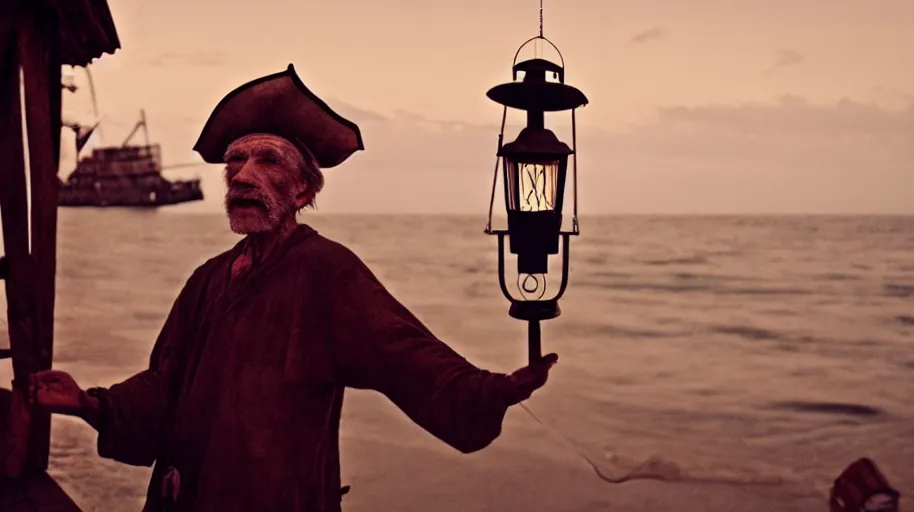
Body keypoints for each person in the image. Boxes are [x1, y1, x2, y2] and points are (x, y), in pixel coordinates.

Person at [27, 65, 558, 512]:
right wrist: (88, 403)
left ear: (303, 189)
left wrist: (492, 391)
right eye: (235, 161)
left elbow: (405, 353)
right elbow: (165, 389)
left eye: (267, 160)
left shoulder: (326, 271)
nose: (241, 176)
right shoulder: (208, 278)